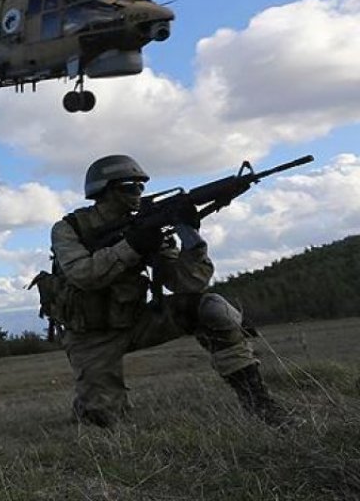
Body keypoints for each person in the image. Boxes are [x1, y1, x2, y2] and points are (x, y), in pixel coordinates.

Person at [51, 154, 291, 429]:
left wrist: (191, 237)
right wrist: (132, 246)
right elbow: (84, 275)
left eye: (141, 186)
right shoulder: (69, 228)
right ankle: (90, 408)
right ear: (105, 190)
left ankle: (261, 406)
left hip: (137, 320)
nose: (138, 193)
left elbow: (186, 284)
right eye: (130, 186)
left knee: (212, 308)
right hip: (90, 336)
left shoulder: (146, 226)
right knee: (102, 421)